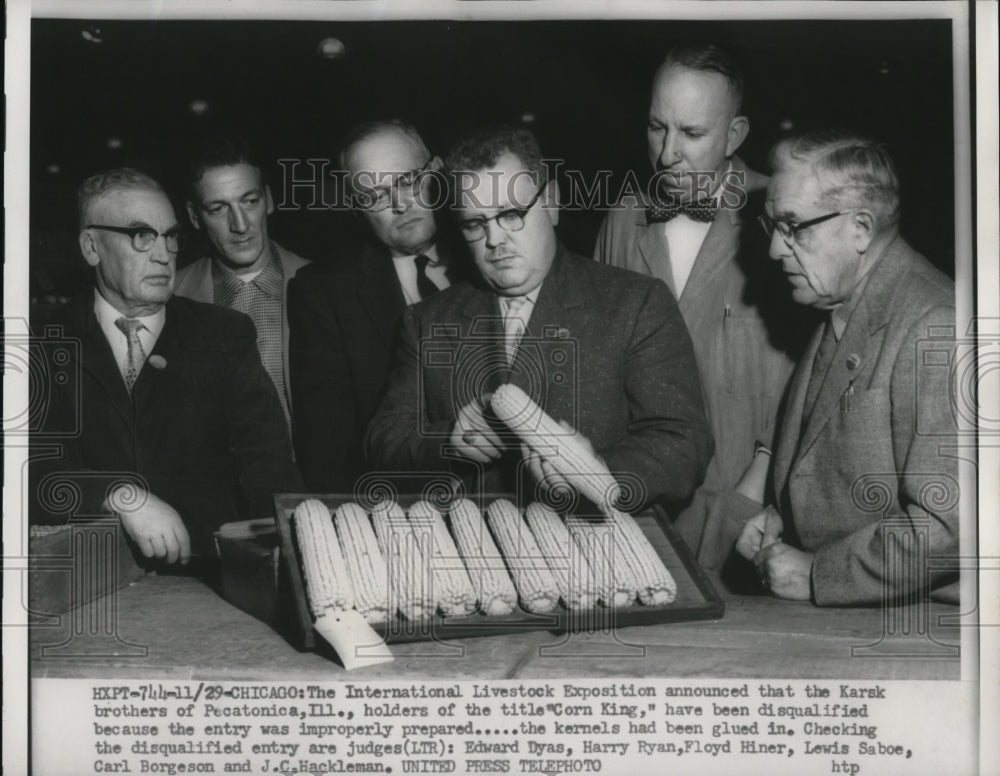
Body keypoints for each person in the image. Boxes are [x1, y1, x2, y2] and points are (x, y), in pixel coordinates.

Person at [365, 126, 713, 506]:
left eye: (511, 214)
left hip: (594, 547)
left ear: (551, 201)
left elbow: (683, 441)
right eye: (475, 224)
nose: (495, 240)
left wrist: (598, 472)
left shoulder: (635, 303)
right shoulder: (426, 321)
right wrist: (448, 439)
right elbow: (384, 438)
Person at [595, 43, 811, 571]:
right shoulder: (622, 219)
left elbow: (817, 374)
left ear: (735, 135)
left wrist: (754, 486)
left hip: (751, 513)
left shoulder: (784, 216)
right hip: (636, 512)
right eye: (656, 127)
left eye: (692, 134)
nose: (668, 153)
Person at [30, 168, 302, 565]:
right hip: (92, 580)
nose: (163, 254)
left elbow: (267, 463)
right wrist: (122, 496)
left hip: (211, 578)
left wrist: (291, 546)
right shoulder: (42, 340)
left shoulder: (225, 335)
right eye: (141, 236)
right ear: (91, 247)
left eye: (170, 237)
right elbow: (26, 468)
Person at [735, 131, 958, 605]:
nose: (776, 249)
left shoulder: (936, 323)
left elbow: (949, 524)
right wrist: (785, 516)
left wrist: (819, 573)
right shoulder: (837, 305)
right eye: (772, 226)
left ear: (860, 228)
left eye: (794, 226)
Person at [288, 120, 460, 492]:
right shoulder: (323, 293)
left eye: (409, 180)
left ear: (438, 172)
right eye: (375, 195)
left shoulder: (491, 258)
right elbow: (326, 449)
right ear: (357, 210)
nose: (400, 204)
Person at [175, 134, 310, 432]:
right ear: (195, 217)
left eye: (249, 201)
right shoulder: (169, 298)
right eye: (218, 209)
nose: (240, 225)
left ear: (269, 201)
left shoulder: (323, 286)